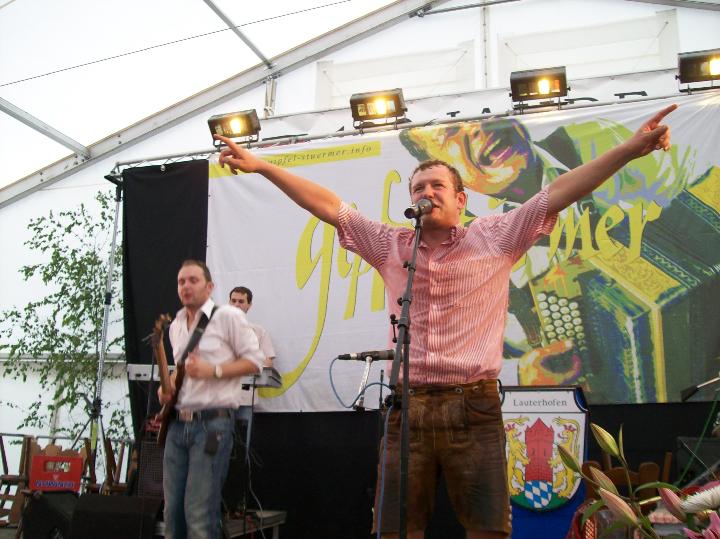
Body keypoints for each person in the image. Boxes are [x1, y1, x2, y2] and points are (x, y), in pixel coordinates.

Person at [213, 104, 676, 538]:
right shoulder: (390, 245)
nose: (426, 194)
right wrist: (263, 166)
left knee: (488, 528)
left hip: (472, 406)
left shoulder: (495, 237)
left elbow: (558, 192)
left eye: (436, 186)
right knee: (396, 528)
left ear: (461, 198)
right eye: (418, 189)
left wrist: (629, 149)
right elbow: (331, 207)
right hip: (407, 407)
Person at [158, 259, 264, 539]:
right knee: (172, 515)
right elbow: (181, 370)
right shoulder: (176, 325)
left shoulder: (228, 317)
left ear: (209, 287)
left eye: (193, 280)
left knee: (199, 513)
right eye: (181, 281)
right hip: (177, 425)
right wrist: (167, 389)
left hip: (213, 425)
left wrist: (213, 370)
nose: (186, 286)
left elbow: (255, 361)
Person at [229, 286, 276, 367]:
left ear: (249, 305)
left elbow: (268, 362)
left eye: (241, 301)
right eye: (233, 301)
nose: (236, 305)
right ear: (229, 303)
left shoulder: (259, 331)